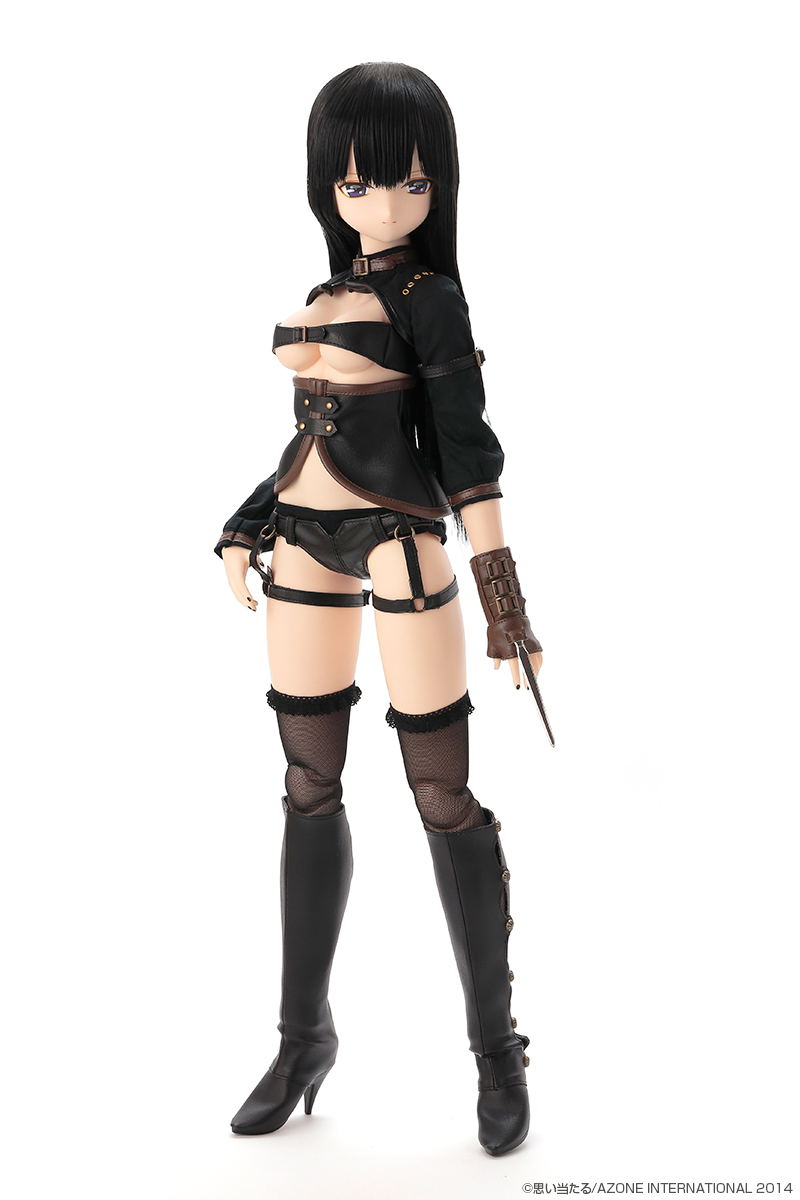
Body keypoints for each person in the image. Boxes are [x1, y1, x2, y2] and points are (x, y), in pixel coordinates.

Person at [213, 61, 550, 1157]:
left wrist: (503, 600)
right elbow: (313, 437)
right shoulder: (322, 293)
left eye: (409, 181)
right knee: (307, 784)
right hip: (302, 541)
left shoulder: (431, 299)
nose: (385, 203)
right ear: (328, 185)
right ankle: (302, 1038)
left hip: (403, 542)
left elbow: (466, 452)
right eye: (358, 183)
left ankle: (497, 1051)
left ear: (437, 183)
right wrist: (248, 520)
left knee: (441, 793)